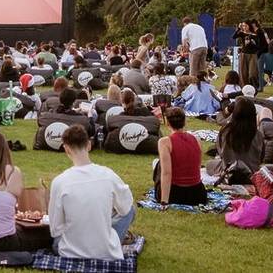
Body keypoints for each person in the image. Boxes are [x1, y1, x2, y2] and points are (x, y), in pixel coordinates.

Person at [49, 124, 135, 259]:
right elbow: (125, 209)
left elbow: (55, 228)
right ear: (89, 145)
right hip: (106, 251)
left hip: (71, 252)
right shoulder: (108, 175)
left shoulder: (59, 182)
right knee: (130, 210)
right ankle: (107, 237)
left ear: (66, 149)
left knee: (57, 239)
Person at [155, 107, 208, 205]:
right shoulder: (197, 140)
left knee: (158, 164)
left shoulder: (164, 142)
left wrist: (164, 201)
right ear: (184, 122)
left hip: (175, 194)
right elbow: (196, 166)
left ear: (167, 123)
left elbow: (166, 173)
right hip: (197, 194)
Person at [214, 97, 264, 175]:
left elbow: (221, 153)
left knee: (211, 164)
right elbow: (260, 158)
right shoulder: (258, 135)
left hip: (229, 172)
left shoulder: (225, 131)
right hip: (251, 172)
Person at [234, 21, 259, 89]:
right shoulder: (242, 34)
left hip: (253, 55)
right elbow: (234, 36)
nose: (244, 27)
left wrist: (253, 43)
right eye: (243, 26)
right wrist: (239, 28)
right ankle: (244, 89)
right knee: (243, 74)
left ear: (249, 26)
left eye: (246, 26)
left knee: (252, 74)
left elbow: (259, 47)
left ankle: (254, 88)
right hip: (244, 54)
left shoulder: (255, 34)